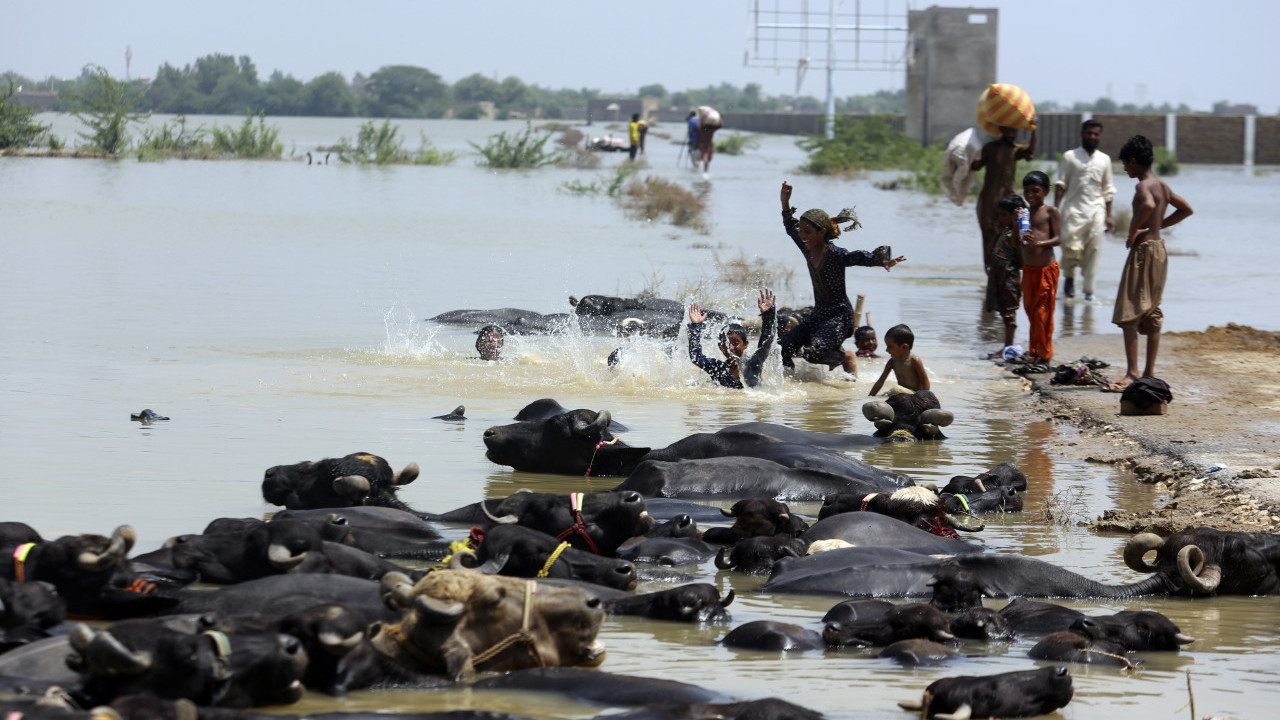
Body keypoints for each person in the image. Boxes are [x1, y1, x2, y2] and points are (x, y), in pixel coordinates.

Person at [778, 181, 904, 376]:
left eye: (807, 231)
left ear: (822, 232)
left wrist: (882, 261)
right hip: (819, 315)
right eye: (802, 231)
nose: (802, 235)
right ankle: (791, 384)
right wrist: (785, 202)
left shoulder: (835, 254)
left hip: (840, 318)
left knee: (813, 353)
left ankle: (846, 357)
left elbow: (858, 256)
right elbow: (789, 226)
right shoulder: (807, 248)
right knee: (783, 347)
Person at [1104, 134, 1193, 391]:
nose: (1124, 168)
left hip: (1143, 251)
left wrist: (1133, 232)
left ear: (1133, 161)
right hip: (1159, 250)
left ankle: (1132, 375)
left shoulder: (1143, 185)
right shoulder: (1163, 185)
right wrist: (1157, 226)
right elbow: (1186, 209)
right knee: (1152, 309)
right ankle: (1148, 372)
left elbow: (1148, 204)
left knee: (1129, 310)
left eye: (1125, 163)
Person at [971, 122, 1037, 310]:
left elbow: (1031, 151)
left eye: (1014, 130)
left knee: (1012, 237)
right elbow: (977, 165)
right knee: (989, 235)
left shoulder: (1016, 150)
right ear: (1001, 131)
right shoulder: (990, 148)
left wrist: (1033, 130)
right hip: (989, 200)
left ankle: (1011, 276)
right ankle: (990, 273)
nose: (1011, 133)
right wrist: (970, 162)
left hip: (1009, 200)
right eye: (1008, 129)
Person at [1055, 119, 1117, 301]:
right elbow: (1060, 184)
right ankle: (1069, 278)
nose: (1092, 137)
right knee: (1070, 247)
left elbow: (1108, 189)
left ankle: (1089, 291)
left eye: (1096, 134)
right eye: (1089, 133)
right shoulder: (1070, 156)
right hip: (1073, 210)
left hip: (1097, 210)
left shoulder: (1104, 160)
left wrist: (1109, 216)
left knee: (1094, 250)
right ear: (1082, 134)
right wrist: (1054, 210)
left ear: (1099, 136)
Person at [687, 289, 776, 389]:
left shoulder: (753, 365)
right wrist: (696, 326)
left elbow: (766, 342)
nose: (730, 348)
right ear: (720, 347)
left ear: (745, 344)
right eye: (725, 343)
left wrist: (769, 315)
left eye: (735, 343)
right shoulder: (718, 368)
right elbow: (696, 357)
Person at [1021, 170, 1061, 363]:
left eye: (1035, 191)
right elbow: (1016, 241)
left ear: (1045, 191)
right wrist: (1015, 225)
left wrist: (1040, 244)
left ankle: (1045, 354)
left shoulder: (1051, 211)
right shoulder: (1023, 214)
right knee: (1030, 310)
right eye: (1027, 192)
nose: (1030, 196)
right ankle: (1034, 351)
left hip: (1046, 270)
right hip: (1028, 270)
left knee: (1042, 313)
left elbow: (1059, 238)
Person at [986, 194, 1027, 359]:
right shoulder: (1004, 232)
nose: (1000, 218)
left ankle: (1008, 348)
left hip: (1009, 279)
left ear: (1014, 216)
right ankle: (1006, 347)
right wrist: (996, 234)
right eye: (999, 214)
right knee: (1004, 313)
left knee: (1010, 314)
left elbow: (1021, 260)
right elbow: (990, 251)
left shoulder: (1016, 235)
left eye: (1004, 215)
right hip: (998, 278)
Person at [868, 324, 930, 396]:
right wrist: (870, 396)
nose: (887, 350)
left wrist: (921, 398)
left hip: (914, 395)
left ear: (904, 347)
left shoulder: (914, 361)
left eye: (890, 347)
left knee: (896, 390)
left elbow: (925, 382)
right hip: (901, 395)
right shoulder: (892, 362)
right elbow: (881, 381)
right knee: (884, 395)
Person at [695, 106, 723, 174]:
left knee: (707, 159)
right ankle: (705, 172)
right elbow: (721, 125)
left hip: (704, 144)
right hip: (709, 145)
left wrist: (696, 146)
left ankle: (705, 172)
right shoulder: (711, 129)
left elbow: (698, 138)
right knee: (707, 159)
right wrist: (719, 118)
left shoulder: (701, 129)